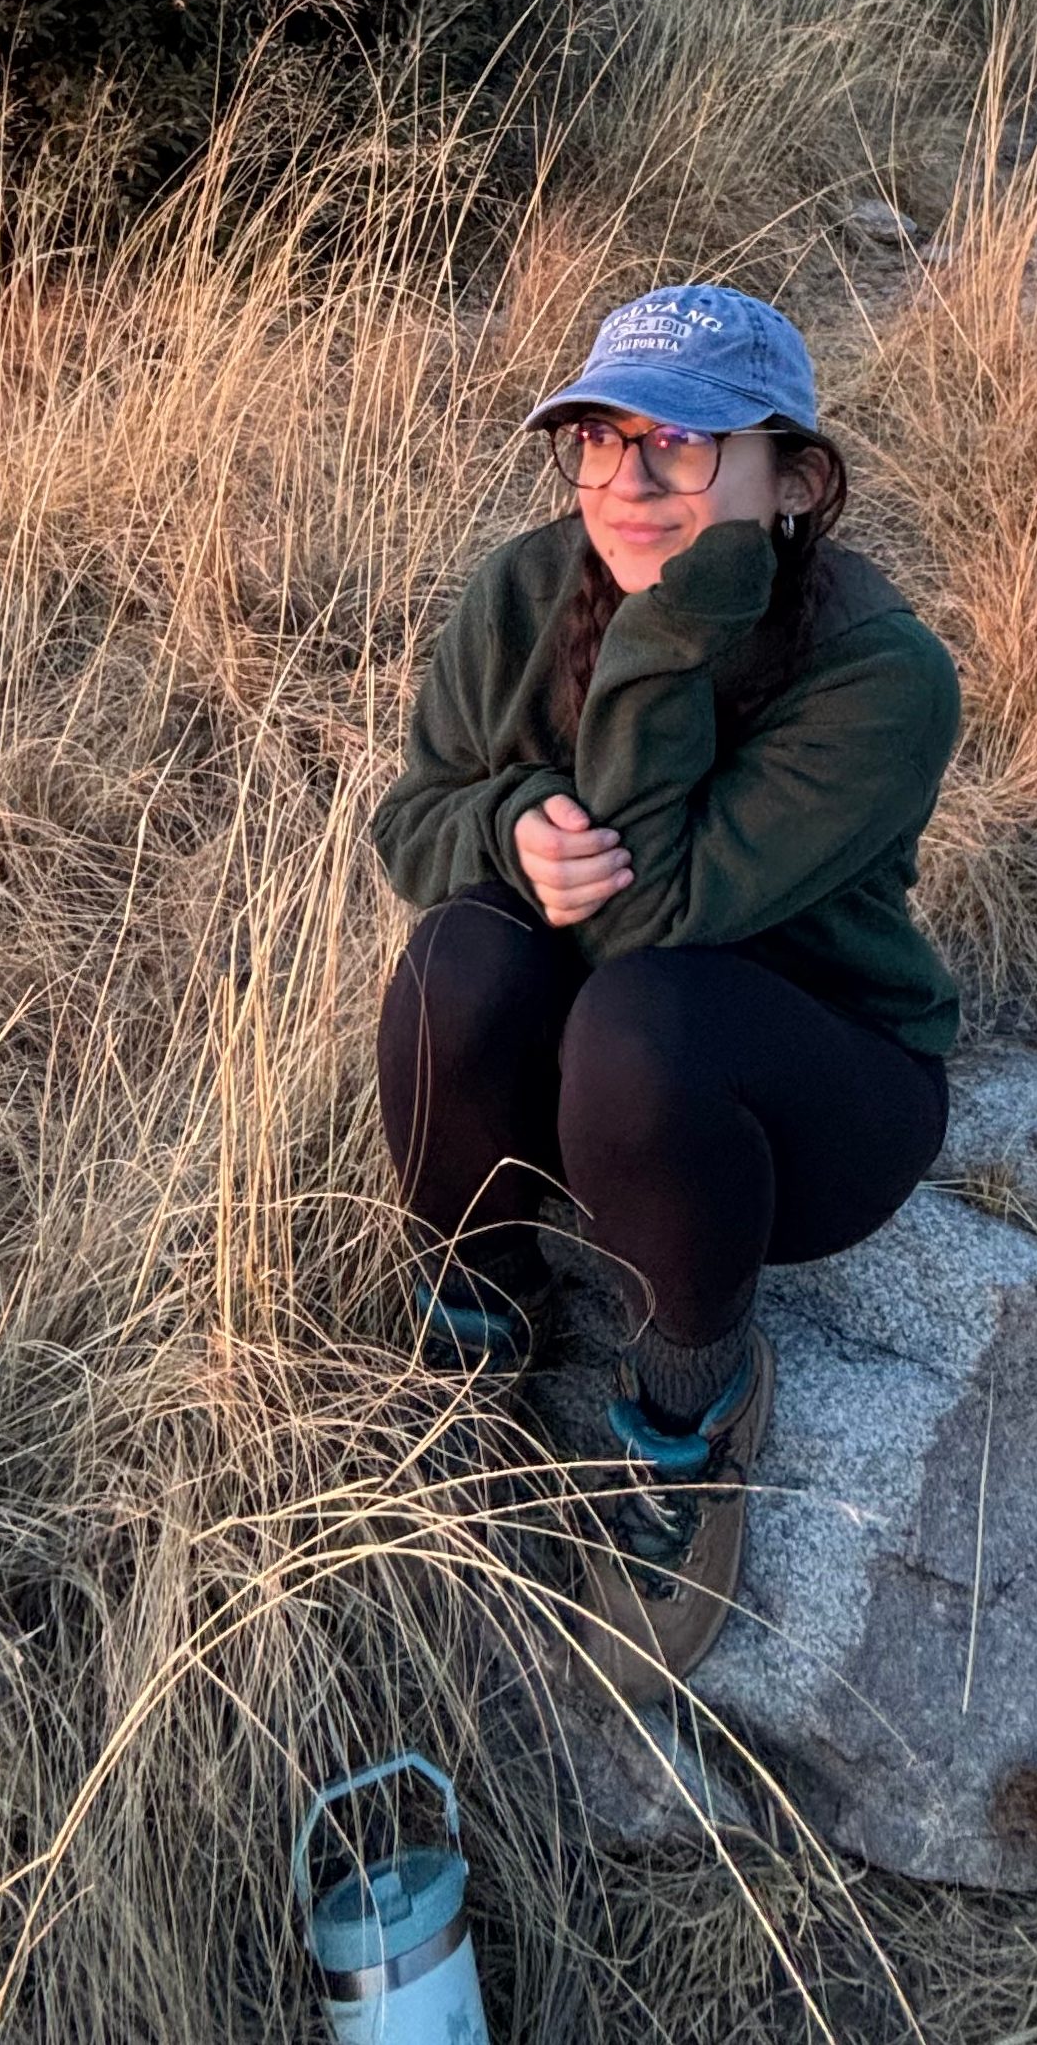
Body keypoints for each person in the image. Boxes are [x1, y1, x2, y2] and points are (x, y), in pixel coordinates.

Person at [370, 281, 963, 1697]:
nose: (627, 486)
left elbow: (659, 923)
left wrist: (666, 631)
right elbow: (413, 823)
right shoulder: (520, 588)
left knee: (649, 1020)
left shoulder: (881, 674)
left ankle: (687, 1414)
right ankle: (481, 1317)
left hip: (807, 1101)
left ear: (795, 479)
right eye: (598, 438)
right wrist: (509, 820)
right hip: (601, 1088)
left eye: (684, 449)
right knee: (459, 951)